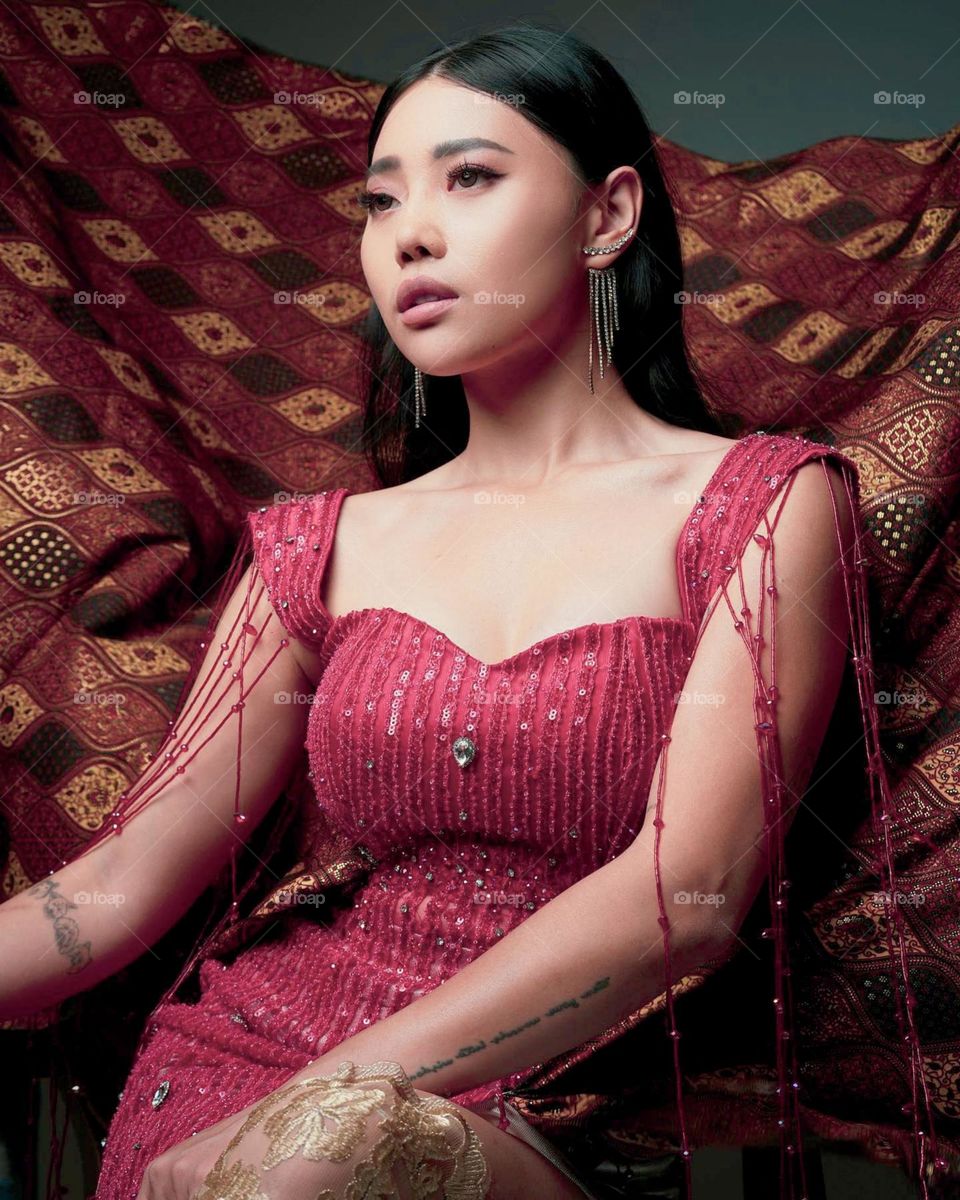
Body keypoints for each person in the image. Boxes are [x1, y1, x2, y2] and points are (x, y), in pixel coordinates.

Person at [0, 19, 938, 1200]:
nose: (411, 234)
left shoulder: (763, 503)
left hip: (536, 1105)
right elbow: (121, 884)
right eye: (381, 202)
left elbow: (686, 896)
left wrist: (315, 1109)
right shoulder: (323, 543)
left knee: (325, 1160)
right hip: (233, 1071)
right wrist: (281, 1118)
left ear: (608, 215)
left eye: (471, 178)